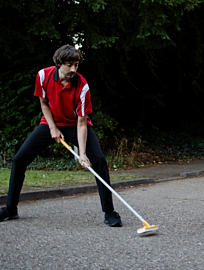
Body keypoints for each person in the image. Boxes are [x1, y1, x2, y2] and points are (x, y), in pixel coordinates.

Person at [0, 45, 122, 227]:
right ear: (59, 64)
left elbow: (82, 122)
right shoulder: (43, 76)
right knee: (19, 159)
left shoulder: (83, 86)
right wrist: (52, 128)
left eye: (76, 65)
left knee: (99, 160)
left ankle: (109, 212)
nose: (73, 69)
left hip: (75, 125)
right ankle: (11, 208)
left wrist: (82, 153)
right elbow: (43, 104)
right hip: (50, 122)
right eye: (69, 65)